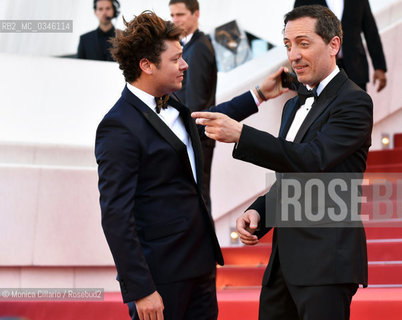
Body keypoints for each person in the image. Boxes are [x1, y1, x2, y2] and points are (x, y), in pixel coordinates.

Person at [95, 11, 286, 320]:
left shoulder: (173, 106)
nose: (185, 65)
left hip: (201, 267)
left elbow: (206, 120)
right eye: (176, 59)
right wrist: (141, 289)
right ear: (146, 65)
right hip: (161, 278)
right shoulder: (118, 127)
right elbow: (116, 216)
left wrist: (260, 95)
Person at [193, 5, 371, 319]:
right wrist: (260, 211)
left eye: (304, 43)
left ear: (333, 45)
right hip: (282, 265)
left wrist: (242, 135)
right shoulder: (292, 106)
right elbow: (294, 178)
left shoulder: (354, 102)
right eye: (288, 45)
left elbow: (313, 160)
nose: (293, 55)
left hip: (327, 263)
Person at [169, 0, 217, 213]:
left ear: (196, 14)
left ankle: (209, 247)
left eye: (180, 14)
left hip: (197, 136)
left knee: (199, 196)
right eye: (172, 15)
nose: (175, 20)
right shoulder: (189, 45)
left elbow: (195, 103)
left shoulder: (198, 48)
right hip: (194, 135)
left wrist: (186, 136)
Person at [294, 0, 387, 92]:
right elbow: (296, 34)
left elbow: (371, 30)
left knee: (358, 105)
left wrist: (379, 67)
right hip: (321, 73)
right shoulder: (303, 1)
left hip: (356, 68)